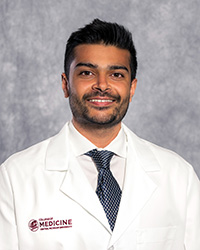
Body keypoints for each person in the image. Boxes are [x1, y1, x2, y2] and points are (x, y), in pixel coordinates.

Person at [0, 19, 199, 250]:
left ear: (132, 88)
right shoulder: (14, 178)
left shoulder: (178, 176)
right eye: (87, 72)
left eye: (116, 75)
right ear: (65, 85)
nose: (102, 85)